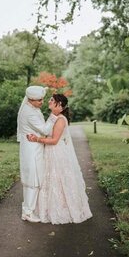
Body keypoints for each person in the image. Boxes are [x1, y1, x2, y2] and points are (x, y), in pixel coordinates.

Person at [26, 94, 92, 224]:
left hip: (57, 153)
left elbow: (54, 140)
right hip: (50, 153)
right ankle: (50, 209)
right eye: (50, 99)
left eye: (52, 100)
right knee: (51, 179)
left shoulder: (61, 120)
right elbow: (46, 132)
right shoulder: (54, 117)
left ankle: (62, 209)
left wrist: (36, 139)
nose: (49, 101)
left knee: (59, 180)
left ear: (60, 106)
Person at [17, 85, 49, 222]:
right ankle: (28, 212)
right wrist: (55, 117)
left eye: (42, 99)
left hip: (32, 148)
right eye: (39, 100)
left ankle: (28, 208)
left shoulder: (31, 108)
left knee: (32, 179)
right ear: (30, 99)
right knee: (33, 180)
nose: (42, 102)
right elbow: (45, 130)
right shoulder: (29, 112)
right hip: (32, 149)